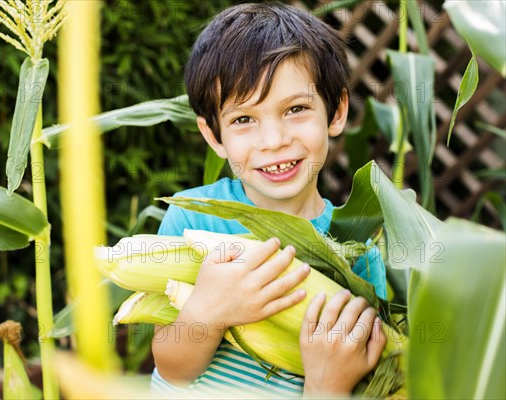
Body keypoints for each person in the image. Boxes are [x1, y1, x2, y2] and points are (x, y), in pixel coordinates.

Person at [151, 3, 387, 397]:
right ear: (214, 137)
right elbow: (172, 369)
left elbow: (362, 378)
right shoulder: (191, 223)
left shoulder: (359, 253)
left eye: (296, 109)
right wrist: (209, 313)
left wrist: (326, 384)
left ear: (336, 111)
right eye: (243, 119)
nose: (274, 141)